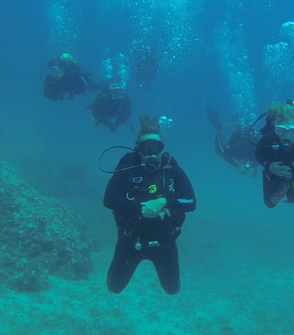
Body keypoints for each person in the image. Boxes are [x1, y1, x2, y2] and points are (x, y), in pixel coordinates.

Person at [103, 115, 196, 294]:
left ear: (162, 149)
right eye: (146, 149)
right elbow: (109, 199)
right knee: (114, 287)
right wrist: (141, 209)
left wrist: (164, 201)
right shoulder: (128, 164)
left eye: (156, 148)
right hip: (131, 240)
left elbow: (191, 202)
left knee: (172, 289)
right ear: (138, 149)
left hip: (164, 242)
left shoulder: (171, 167)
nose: (152, 154)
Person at [205, 107, 258, 175]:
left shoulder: (254, 138)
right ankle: (216, 122)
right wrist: (238, 165)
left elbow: (260, 158)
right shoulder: (237, 135)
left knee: (220, 150)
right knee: (219, 150)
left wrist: (243, 165)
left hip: (244, 155)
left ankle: (217, 123)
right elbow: (225, 152)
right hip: (237, 153)